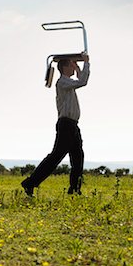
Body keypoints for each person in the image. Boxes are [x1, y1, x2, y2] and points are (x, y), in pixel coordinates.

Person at [21, 53, 90, 196]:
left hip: (72, 125)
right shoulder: (62, 82)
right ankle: (30, 183)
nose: (73, 67)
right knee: (55, 157)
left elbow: (80, 80)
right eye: (71, 64)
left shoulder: (68, 83)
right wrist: (85, 64)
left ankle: (75, 189)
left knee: (78, 158)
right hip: (66, 125)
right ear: (65, 67)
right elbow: (82, 81)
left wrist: (77, 67)